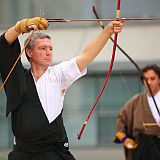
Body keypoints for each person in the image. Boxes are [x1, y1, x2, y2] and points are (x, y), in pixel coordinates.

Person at [0, 17, 123, 160]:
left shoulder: (59, 74)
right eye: (42, 48)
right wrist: (19, 27)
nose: (48, 52)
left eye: (50, 48)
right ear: (29, 52)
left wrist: (108, 31)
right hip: (23, 153)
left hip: (53, 152)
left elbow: (86, 56)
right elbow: (3, 45)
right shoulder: (17, 79)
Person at [114, 64, 160, 160]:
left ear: (159, 79)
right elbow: (121, 118)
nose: (149, 82)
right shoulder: (137, 100)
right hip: (143, 146)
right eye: (146, 79)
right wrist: (125, 139)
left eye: (152, 78)